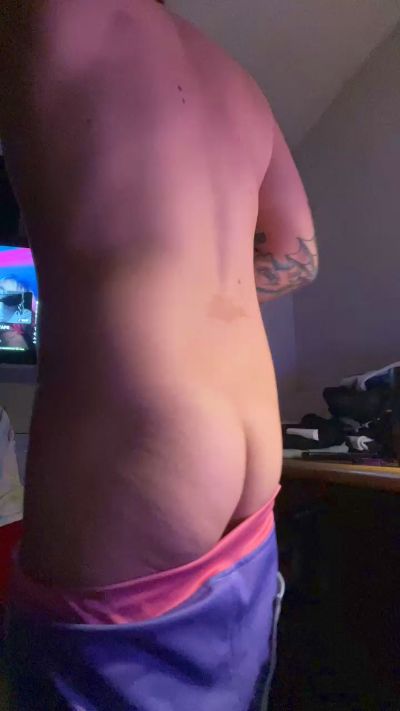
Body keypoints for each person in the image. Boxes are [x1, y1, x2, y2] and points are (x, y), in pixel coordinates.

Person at [0, 1, 317, 709]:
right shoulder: (237, 81)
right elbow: (299, 252)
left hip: (143, 452)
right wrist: (205, 295)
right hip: (254, 475)